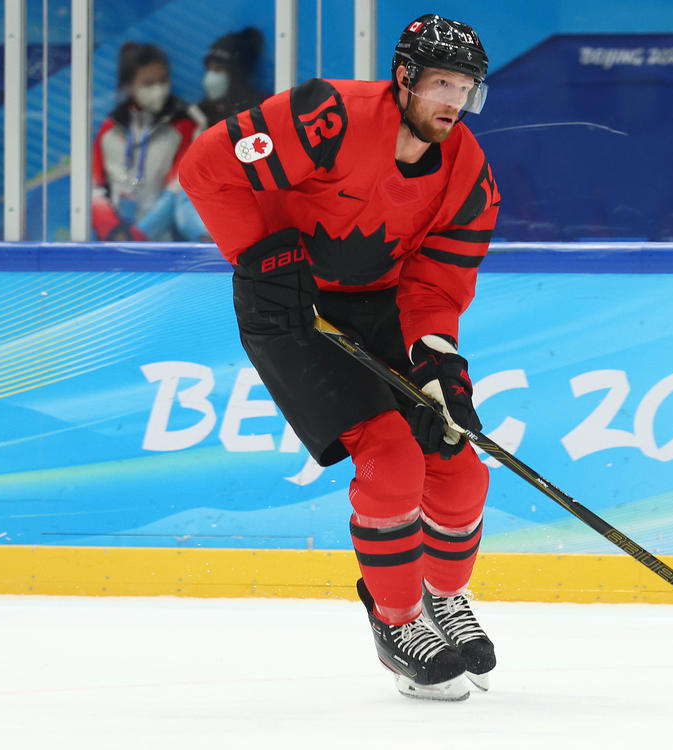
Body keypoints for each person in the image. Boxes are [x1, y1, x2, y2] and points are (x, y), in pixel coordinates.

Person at [179, 14, 499, 701]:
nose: (453, 102)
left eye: (466, 89)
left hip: (380, 307)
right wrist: (263, 254)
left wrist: (438, 361)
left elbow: (437, 283)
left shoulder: (468, 171)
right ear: (405, 77)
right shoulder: (328, 116)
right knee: (391, 460)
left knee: (460, 467)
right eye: (442, 83)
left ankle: (444, 598)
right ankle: (398, 619)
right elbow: (206, 165)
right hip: (288, 308)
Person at [92, 42, 207, 241]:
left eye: (163, 80)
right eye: (148, 83)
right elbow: (94, 187)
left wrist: (139, 237)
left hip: (168, 243)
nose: (159, 89)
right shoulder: (109, 128)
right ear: (128, 86)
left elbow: (179, 188)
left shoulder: (185, 125)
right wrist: (114, 232)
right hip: (115, 240)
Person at [198, 27, 268, 126]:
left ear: (237, 74)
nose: (210, 76)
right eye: (208, 69)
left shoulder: (260, 113)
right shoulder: (199, 115)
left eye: (218, 69)